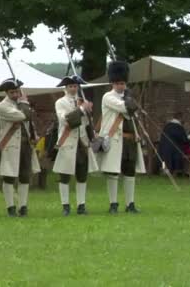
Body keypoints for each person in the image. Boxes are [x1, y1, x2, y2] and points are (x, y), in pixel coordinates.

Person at [98, 61, 146, 214]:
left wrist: (130, 99)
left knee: (129, 171)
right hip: (115, 139)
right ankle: (113, 204)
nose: (121, 86)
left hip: (130, 139)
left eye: (123, 83)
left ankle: (130, 204)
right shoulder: (107, 97)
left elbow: (133, 113)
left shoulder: (127, 96)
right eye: (119, 83)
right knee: (113, 173)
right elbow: (125, 108)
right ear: (113, 82)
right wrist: (130, 100)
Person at [53, 76, 99, 216]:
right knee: (65, 176)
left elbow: (86, 123)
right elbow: (65, 120)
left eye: (75, 86)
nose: (73, 88)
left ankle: (81, 206)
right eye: (71, 86)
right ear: (66, 88)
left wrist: (88, 111)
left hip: (82, 142)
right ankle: (65, 206)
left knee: (82, 176)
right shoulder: (60, 102)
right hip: (67, 141)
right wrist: (81, 109)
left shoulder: (82, 101)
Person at [0, 78, 40, 217]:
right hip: (11, 144)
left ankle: (23, 206)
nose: (15, 94)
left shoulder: (20, 104)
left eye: (17, 91)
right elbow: (24, 116)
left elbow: (29, 121)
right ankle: (10, 208)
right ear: (6, 93)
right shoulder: (2, 106)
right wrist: (24, 103)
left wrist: (34, 135)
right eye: (12, 92)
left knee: (24, 176)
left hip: (25, 144)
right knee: (9, 177)